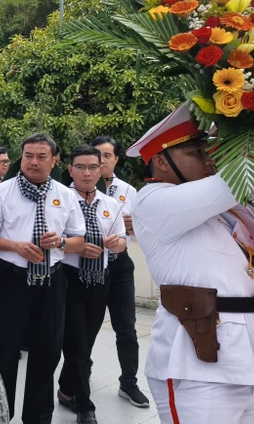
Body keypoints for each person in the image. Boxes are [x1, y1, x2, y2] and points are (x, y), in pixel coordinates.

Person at [127, 105, 254, 423]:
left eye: (210, 150)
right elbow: (239, 181)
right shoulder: (153, 201)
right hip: (198, 364)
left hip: (252, 356)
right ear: (162, 161)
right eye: (196, 152)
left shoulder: (227, 210)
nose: (209, 160)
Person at [0, 133, 87, 424]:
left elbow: (79, 240)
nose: (33, 162)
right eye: (28, 156)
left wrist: (61, 243)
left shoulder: (65, 195)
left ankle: (38, 418)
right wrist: (15, 246)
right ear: (20, 158)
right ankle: (1, 415)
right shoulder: (2, 192)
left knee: (47, 353)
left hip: (52, 283)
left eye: (41, 156)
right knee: (3, 352)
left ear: (54, 161)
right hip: (10, 281)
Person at [55, 145, 127, 424]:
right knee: (75, 343)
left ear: (101, 169)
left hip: (100, 280)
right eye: (81, 167)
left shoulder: (111, 204)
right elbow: (54, 242)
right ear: (70, 170)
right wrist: (77, 249)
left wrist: (115, 244)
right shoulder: (60, 200)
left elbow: (122, 243)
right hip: (69, 278)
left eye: (93, 167)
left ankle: (66, 389)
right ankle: (85, 406)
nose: (87, 173)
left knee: (86, 341)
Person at [89, 134, 150, 408]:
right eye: (97, 155)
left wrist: (133, 225)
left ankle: (129, 383)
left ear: (115, 159)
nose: (102, 161)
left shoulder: (129, 191)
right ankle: (78, 378)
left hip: (120, 266)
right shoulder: (74, 190)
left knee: (126, 328)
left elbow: (139, 229)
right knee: (86, 328)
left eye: (107, 155)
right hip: (89, 268)